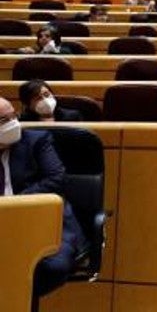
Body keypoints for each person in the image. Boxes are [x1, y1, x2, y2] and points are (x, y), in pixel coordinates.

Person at [0, 97, 87, 307]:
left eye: (14, 116)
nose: (13, 123)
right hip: (4, 230)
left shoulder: (36, 140)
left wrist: (13, 204)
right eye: (3, 120)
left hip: (47, 225)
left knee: (47, 269)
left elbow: (56, 179)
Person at [17, 81, 83, 123]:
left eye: (47, 94)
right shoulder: (23, 122)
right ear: (28, 105)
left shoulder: (72, 117)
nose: (45, 100)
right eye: (38, 98)